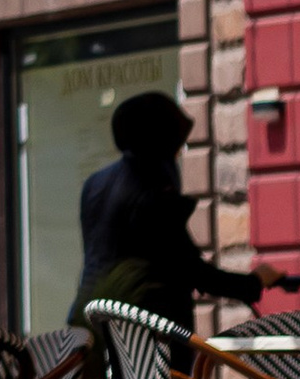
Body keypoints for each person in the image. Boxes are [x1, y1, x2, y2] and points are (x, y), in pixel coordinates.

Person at [72, 90, 266, 329]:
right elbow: (189, 268)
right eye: (177, 144)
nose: (179, 153)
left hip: (92, 321)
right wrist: (256, 281)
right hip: (144, 333)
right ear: (163, 140)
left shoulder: (95, 184)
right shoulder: (151, 186)